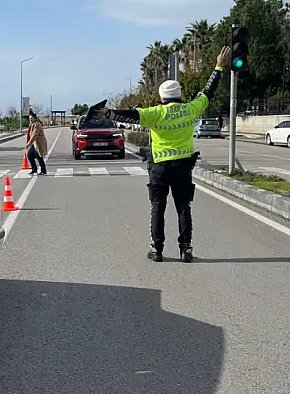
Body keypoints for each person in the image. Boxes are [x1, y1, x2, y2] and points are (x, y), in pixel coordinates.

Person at [97, 46, 231, 262]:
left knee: (157, 209)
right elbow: (208, 91)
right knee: (183, 207)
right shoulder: (191, 109)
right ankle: (186, 249)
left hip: (159, 168)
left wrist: (109, 113)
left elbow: (131, 116)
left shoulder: (156, 113)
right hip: (182, 168)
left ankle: (156, 250)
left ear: (161, 98)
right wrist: (218, 67)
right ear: (179, 95)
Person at [25, 110, 48, 175]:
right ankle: (34, 169)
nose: (30, 120)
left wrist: (28, 143)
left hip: (38, 143)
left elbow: (34, 135)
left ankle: (43, 170)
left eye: (31, 118)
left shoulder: (37, 125)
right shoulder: (32, 124)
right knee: (30, 155)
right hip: (34, 143)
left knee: (39, 156)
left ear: (35, 118)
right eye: (29, 119)